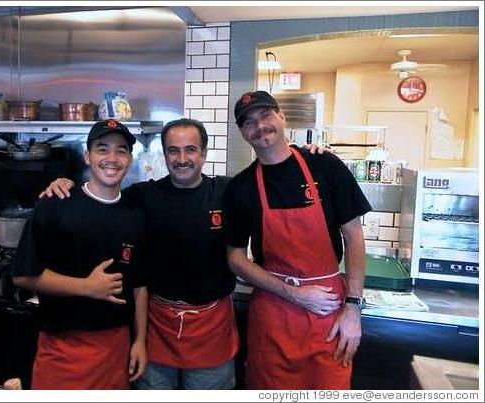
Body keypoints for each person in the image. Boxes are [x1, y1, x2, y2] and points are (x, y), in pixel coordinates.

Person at [41, 118, 327, 389]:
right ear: (164, 155)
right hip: (156, 327)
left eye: (190, 150)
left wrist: (307, 156)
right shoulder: (141, 197)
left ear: (203, 153)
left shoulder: (228, 191)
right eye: (173, 151)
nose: (181, 159)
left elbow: (273, 177)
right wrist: (66, 184)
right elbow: (102, 195)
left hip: (212, 328)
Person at [223, 90, 372, 390]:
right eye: (249, 122)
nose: (260, 126)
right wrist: (294, 294)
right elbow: (235, 257)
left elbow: (354, 235)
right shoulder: (241, 186)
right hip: (273, 317)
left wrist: (353, 309)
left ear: (281, 116)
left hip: (329, 313)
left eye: (265, 115)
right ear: (242, 132)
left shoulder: (324, 165)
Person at [11, 119, 148, 389]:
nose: (112, 158)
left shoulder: (136, 215)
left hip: (115, 349)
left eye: (121, 150)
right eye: (102, 149)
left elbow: (140, 284)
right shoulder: (55, 202)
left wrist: (140, 340)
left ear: (130, 159)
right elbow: (23, 275)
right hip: (62, 350)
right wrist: (85, 287)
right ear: (87, 156)